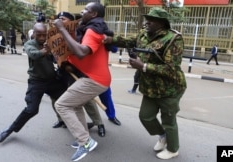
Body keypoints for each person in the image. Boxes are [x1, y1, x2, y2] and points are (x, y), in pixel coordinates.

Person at [104, 7, 187, 160]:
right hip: (150, 87)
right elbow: (129, 41)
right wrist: (111, 39)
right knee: (145, 117)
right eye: (147, 18)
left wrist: (143, 66)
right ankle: (163, 136)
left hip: (170, 89)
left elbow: (171, 68)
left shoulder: (173, 39)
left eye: (152, 19)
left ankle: (173, 149)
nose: (147, 22)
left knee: (169, 121)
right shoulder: (144, 34)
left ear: (162, 23)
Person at [53, 2, 112, 161]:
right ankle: (82, 138)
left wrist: (62, 29)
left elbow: (80, 52)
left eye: (86, 9)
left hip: (95, 80)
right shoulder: (90, 28)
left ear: (93, 14)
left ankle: (86, 142)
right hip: (93, 77)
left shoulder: (92, 30)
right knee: (75, 105)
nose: (82, 11)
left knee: (62, 105)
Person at [0, 23, 68, 143]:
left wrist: (55, 54)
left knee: (67, 100)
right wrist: (47, 50)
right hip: (37, 82)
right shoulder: (29, 44)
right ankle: (10, 129)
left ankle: (73, 125)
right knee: (31, 110)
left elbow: (56, 59)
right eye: (39, 35)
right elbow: (34, 55)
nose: (41, 37)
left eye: (44, 35)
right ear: (34, 33)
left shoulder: (49, 42)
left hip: (52, 80)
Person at [51, 11, 106, 137]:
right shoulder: (56, 35)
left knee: (87, 101)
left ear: (70, 22)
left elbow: (83, 53)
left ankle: (99, 124)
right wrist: (61, 62)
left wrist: (72, 66)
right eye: (58, 18)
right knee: (57, 98)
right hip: (63, 72)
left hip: (78, 73)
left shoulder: (80, 33)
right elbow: (55, 55)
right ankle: (63, 120)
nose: (59, 20)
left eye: (63, 19)